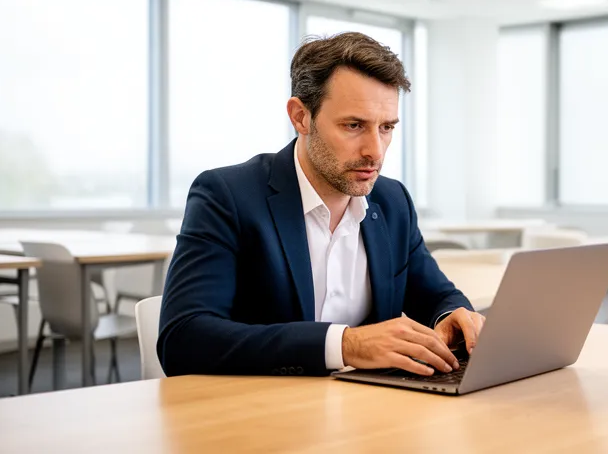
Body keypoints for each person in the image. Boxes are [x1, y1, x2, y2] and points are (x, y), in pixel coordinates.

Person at [158, 32, 484, 378]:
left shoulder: (392, 202)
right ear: (301, 117)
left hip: (370, 411)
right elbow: (184, 339)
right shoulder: (228, 196)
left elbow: (436, 295)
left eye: (386, 127)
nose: (376, 150)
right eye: (354, 125)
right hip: (262, 414)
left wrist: (452, 315)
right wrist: (345, 345)